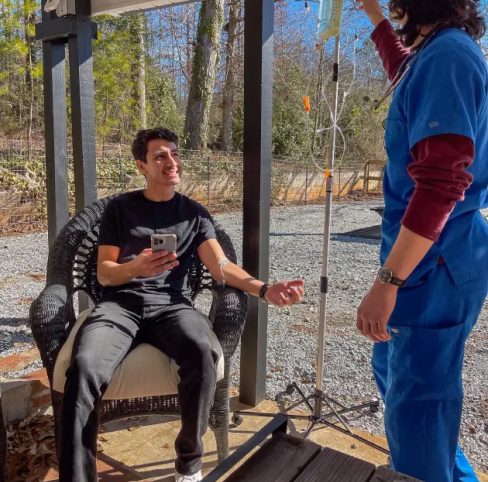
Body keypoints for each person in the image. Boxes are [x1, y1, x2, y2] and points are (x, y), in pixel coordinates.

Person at [59, 127, 305, 482]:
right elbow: (106, 275)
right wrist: (135, 267)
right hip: (119, 306)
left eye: (174, 154)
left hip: (171, 307)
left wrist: (264, 288)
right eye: (160, 156)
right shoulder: (119, 209)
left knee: (203, 351)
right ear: (141, 165)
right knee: (83, 368)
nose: (171, 162)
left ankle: (188, 462)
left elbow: (221, 266)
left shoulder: (194, 213)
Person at [355, 1, 488, 481]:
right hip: (424, 258)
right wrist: (373, 18)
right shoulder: (434, 53)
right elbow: (402, 66)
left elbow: (441, 183)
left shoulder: (448, 57)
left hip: (433, 266)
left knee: (419, 405)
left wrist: (387, 281)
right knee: (398, 377)